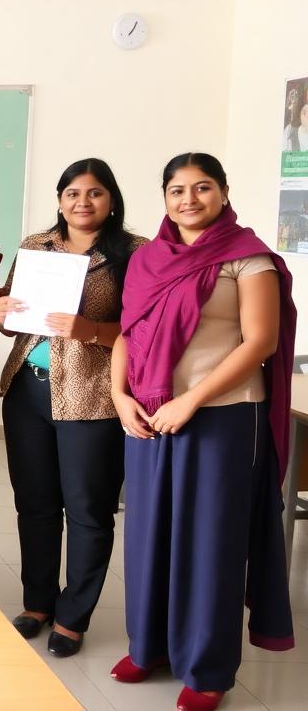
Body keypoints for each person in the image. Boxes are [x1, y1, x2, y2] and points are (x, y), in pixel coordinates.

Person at [110, 153, 295, 711]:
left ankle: (208, 669)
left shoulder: (248, 257)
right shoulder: (147, 259)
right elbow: (126, 334)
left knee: (210, 543)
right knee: (148, 536)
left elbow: (259, 342)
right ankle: (149, 648)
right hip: (149, 414)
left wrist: (190, 400)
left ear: (223, 192)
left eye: (202, 187)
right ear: (165, 198)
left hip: (223, 416)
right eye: (177, 190)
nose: (189, 199)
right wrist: (120, 397)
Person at [0, 158, 145, 658]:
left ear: (111, 199)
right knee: (35, 504)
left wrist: (93, 331)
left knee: (87, 510)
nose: (83, 202)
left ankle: (73, 616)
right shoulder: (36, 246)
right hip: (27, 391)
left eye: (95, 193)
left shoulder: (135, 253)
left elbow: (145, 329)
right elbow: (11, 318)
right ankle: (37, 603)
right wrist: (0, 309)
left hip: (93, 394)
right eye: (72, 193)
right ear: (59, 200)